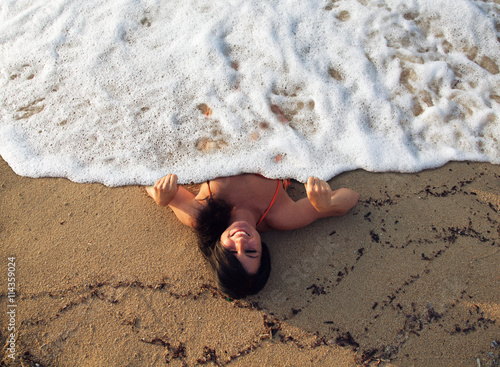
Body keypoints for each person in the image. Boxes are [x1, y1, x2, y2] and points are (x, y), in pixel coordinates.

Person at [146, 173, 359, 299]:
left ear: (218, 248)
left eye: (231, 250)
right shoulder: (281, 215)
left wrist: (160, 196)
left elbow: (151, 181)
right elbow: (351, 198)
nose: (240, 241)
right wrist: (327, 205)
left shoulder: (201, 215)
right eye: (250, 251)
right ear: (262, 249)